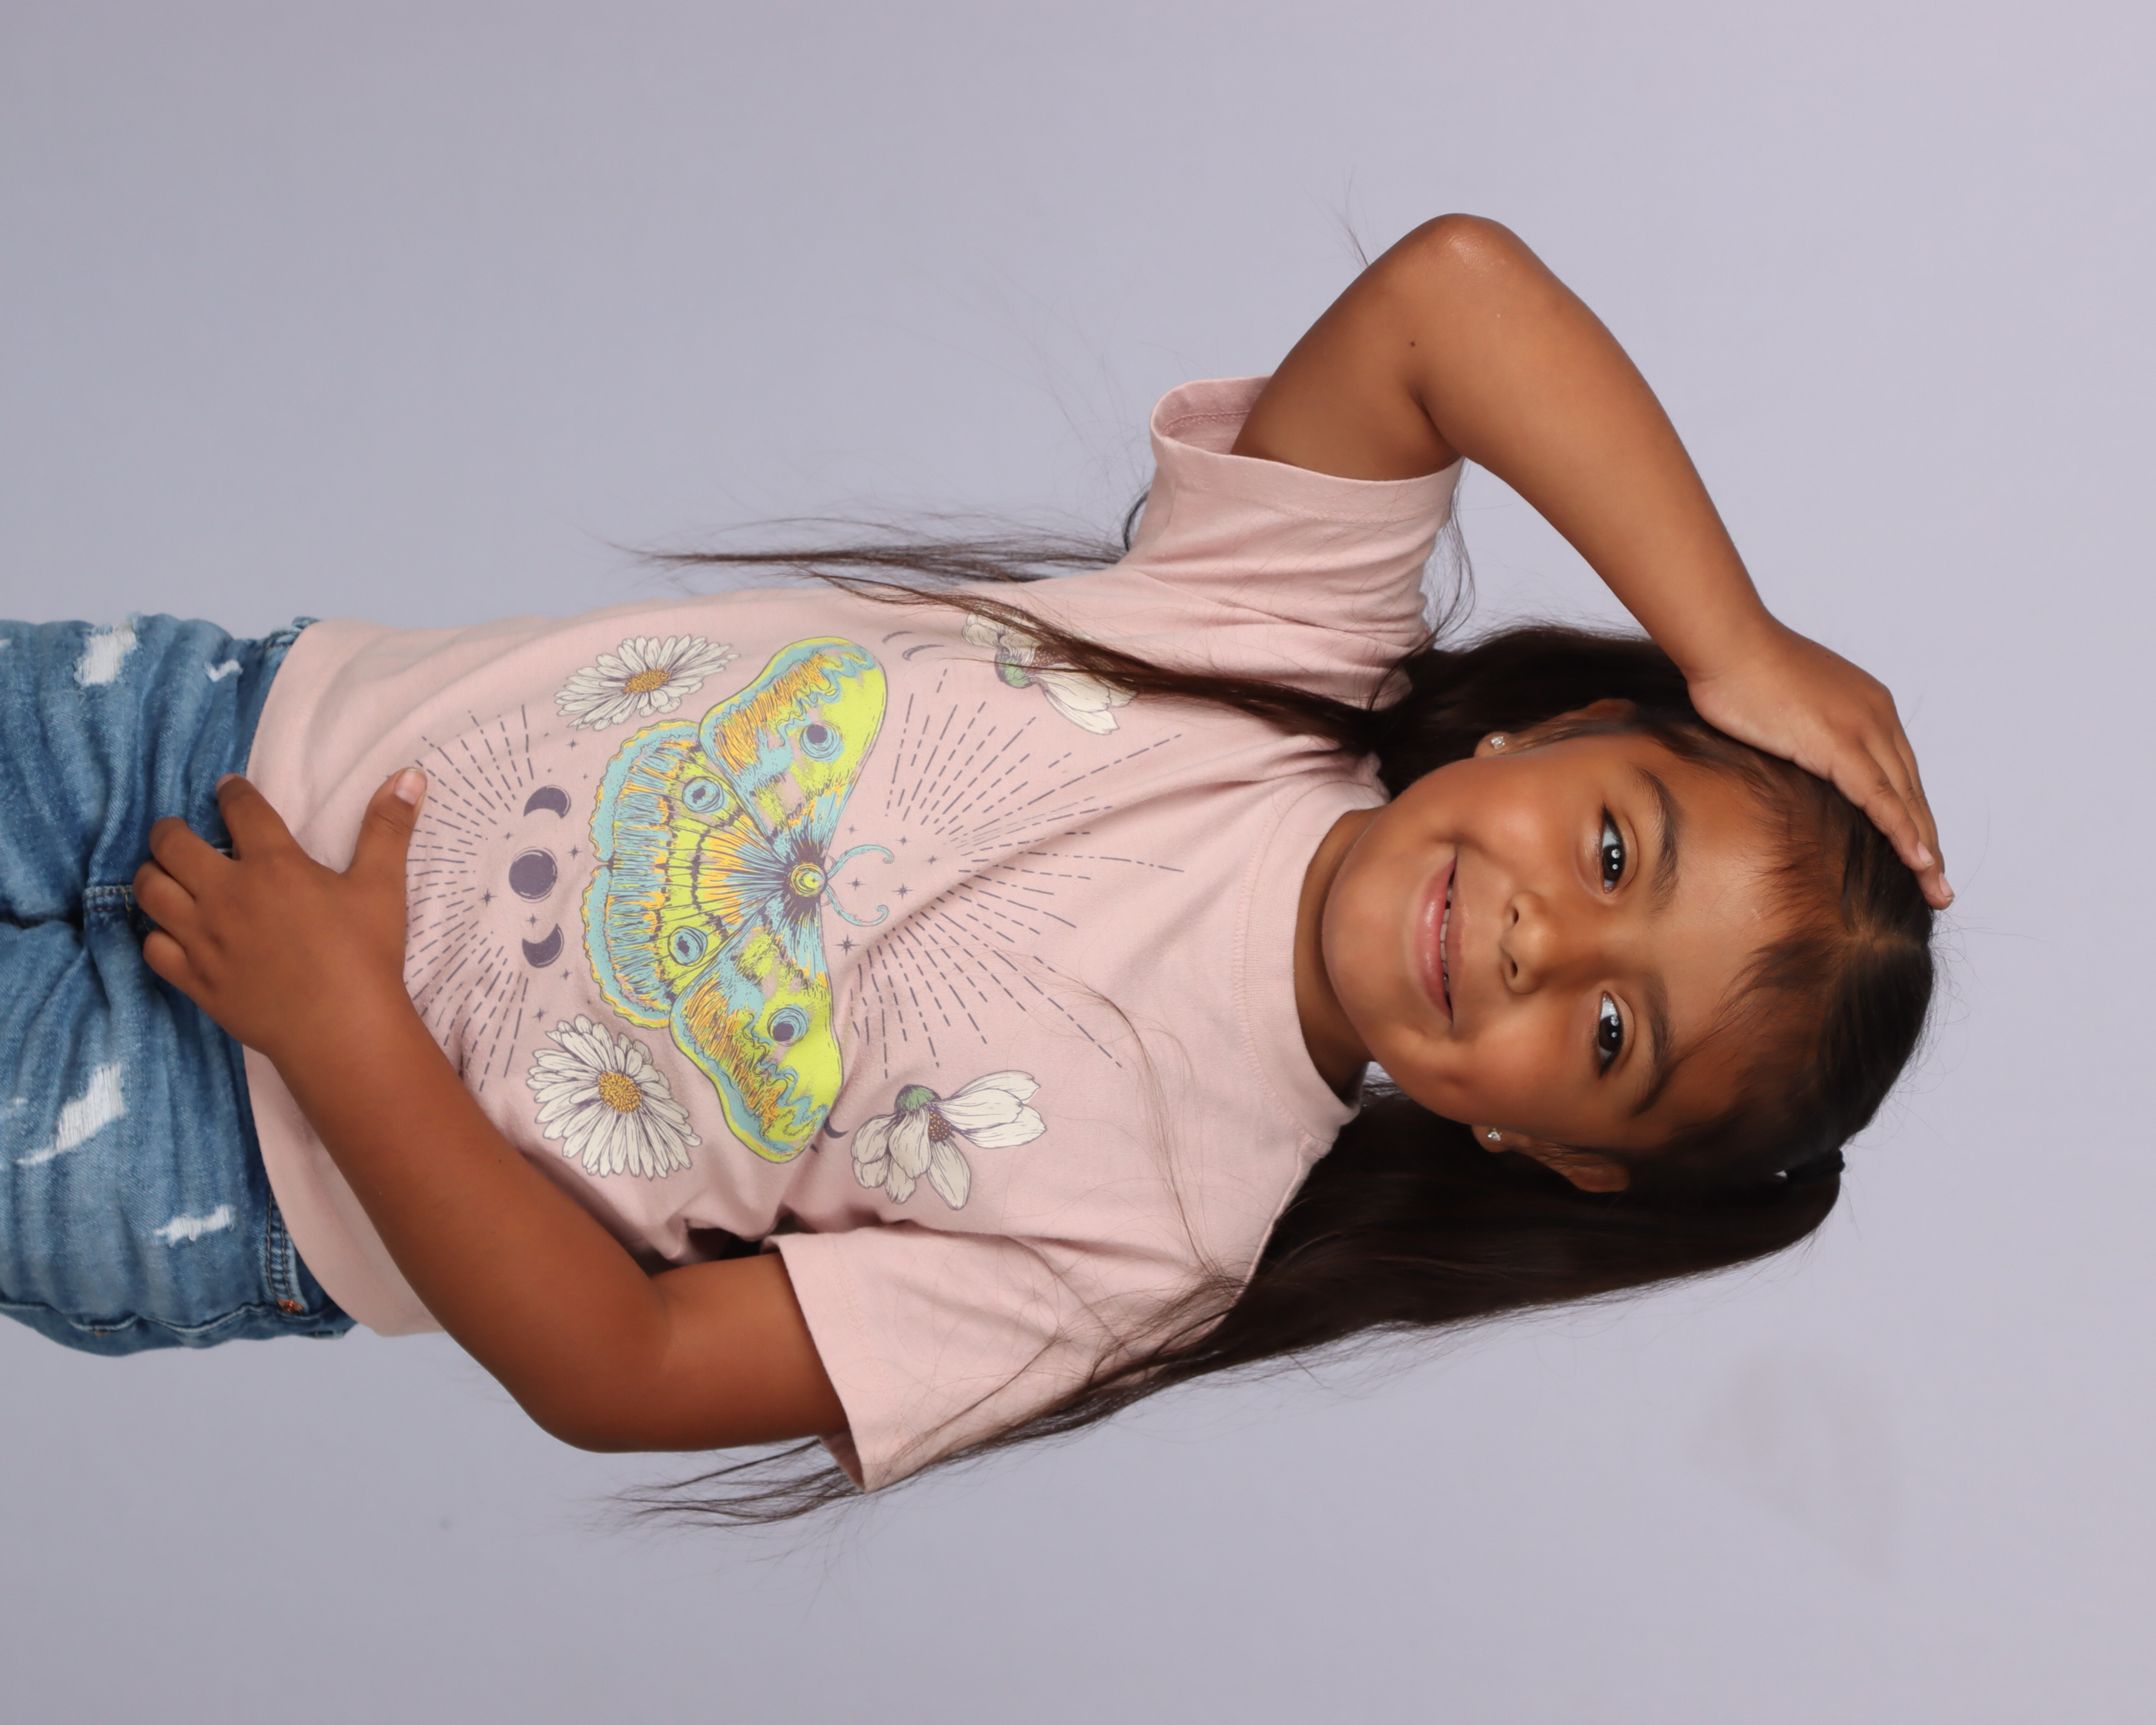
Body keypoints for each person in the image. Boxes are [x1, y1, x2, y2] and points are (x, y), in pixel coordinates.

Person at [0, 216, 1943, 1519]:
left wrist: (346, 1030)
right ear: (1560, 731)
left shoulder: (1157, 1248)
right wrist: (1733, 640)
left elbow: (622, 1365)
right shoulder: (1271, 636)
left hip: (213, 1152)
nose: (1540, 940)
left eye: (1609, 1034)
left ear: (1547, 1151)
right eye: (1610, 847)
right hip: (189, 739)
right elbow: (1453, 292)